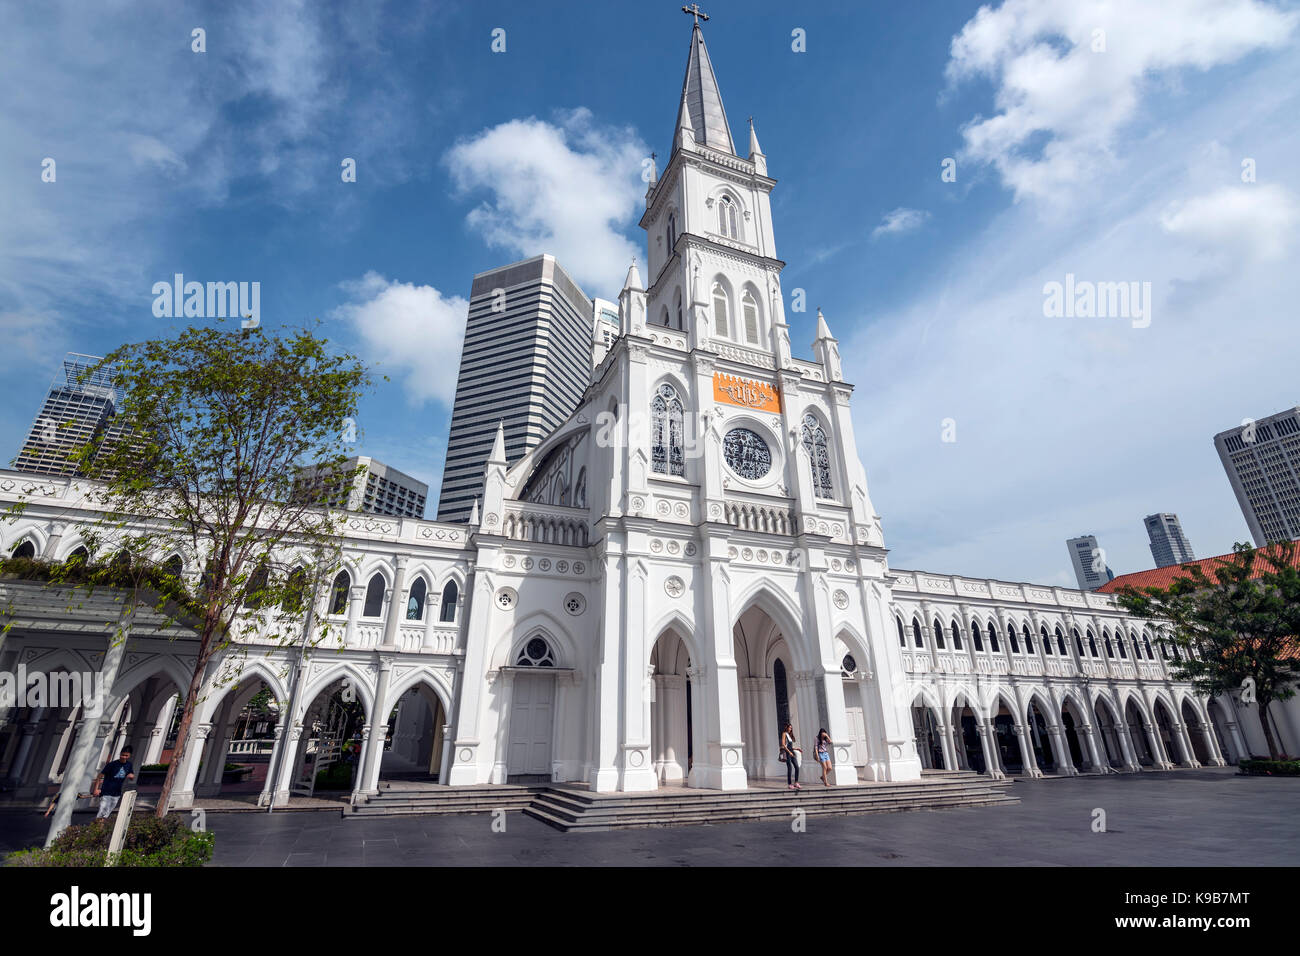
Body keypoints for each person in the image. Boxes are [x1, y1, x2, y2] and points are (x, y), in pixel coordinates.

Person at [92, 746, 135, 820]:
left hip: (117, 793)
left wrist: (131, 776)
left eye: (126, 755)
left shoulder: (129, 765)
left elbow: (131, 775)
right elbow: (99, 776)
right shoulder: (112, 764)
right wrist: (96, 789)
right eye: (122, 755)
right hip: (106, 792)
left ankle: (98, 829)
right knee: (102, 813)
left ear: (130, 755)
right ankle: (97, 829)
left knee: (106, 814)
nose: (124, 757)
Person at [780, 722, 801, 790]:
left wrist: (796, 748)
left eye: (791, 728)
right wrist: (789, 752)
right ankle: (789, 784)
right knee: (790, 768)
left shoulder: (789, 735)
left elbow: (790, 746)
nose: (791, 729)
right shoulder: (784, 734)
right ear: (787, 727)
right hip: (787, 753)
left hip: (791, 752)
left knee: (797, 767)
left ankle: (796, 782)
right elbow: (783, 744)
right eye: (790, 728)